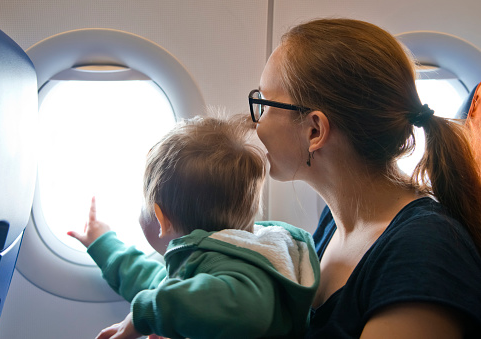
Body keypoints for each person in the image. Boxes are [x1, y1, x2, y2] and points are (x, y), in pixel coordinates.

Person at [250, 18, 481, 338]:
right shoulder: (335, 226)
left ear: (314, 130)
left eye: (263, 104)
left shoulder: (422, 254)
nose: (255, 124)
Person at [68, 115, 320, 339]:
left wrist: (143, 314)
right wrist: (103, 243)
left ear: (161, 218)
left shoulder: (239, 270)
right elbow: (158, 282)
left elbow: (250, 309)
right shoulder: (215, 256)